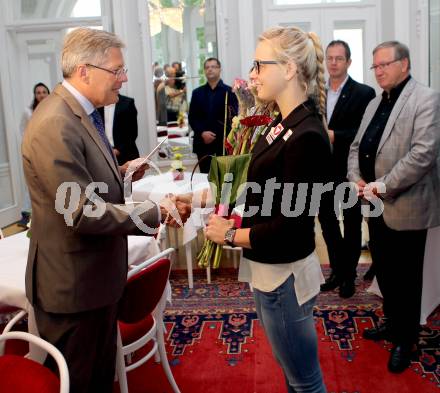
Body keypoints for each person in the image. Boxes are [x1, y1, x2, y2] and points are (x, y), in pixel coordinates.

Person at [21, 28, 190, 392]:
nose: (124, 78)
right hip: (73, 289)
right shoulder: (56, 123)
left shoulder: (80, 113)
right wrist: (154, 211)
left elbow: (86, 184)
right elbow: (81, 212)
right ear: (85, 71)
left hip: (93, 282)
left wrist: (123, 175)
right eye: (117, 70)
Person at [204, 27, 330, 392]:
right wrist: (206, 200)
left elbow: (290, 228)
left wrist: (228, 235)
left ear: (289, 68)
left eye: (260, 64)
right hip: (269, 270)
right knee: (294, 376)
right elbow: (260, 184)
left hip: (284, 276)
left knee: (305, 382)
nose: (253, 74)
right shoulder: (282, 123)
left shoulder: (305, 134)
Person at [347, 41, 440, 373]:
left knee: (406, 276)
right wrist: (356, 178)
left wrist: (381, 185)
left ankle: (407, 339)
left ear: (405, 63)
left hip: (406, 203)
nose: (379, 70)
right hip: (373, 202)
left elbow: (422, 155)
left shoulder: (426, 99)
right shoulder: (374, 103)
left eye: (385, 64)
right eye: (375, 66)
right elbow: (357, 145)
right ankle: (392, 322)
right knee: (384, 268)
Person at [318, 40, 375, 298]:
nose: (333, 63)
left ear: (349, 62)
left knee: (352, 223)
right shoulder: (315, 93)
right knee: (327, 223)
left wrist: (334, 135)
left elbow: (366, 133)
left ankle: (349, 275)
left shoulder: (364, 93)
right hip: (320, 170)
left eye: (339, 58)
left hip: (350, 170)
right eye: (329, 58)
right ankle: (337, 270)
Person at [188, 57, 238, 173]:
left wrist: (215, 135)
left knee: (223, 180)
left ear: (220, 69)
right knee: (204, 180)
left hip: (222, 144)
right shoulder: (197, 93)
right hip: (202, 144)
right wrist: (202, 133)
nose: (210, 69)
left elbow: (233, 119)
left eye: (213, 67)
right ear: (204, 71)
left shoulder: (230, 92)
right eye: (207, 67)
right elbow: (192, 117)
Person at [18, 82, 50, 227]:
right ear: (35, 95)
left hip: (51, 151)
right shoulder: (28, 111)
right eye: (38, 92)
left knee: (49, 181)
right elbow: (23, 131)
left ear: (48, 93)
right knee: (33, 180)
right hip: (34, 151)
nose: (41, 94)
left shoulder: (54, 109)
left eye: (44, 92)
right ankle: (26, 213)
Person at [98, 94, 140, 166]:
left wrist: (118, 151)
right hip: (104, 154)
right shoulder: (98, 104)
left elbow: (132, 133)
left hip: (126, 154)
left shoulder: (127, 103)